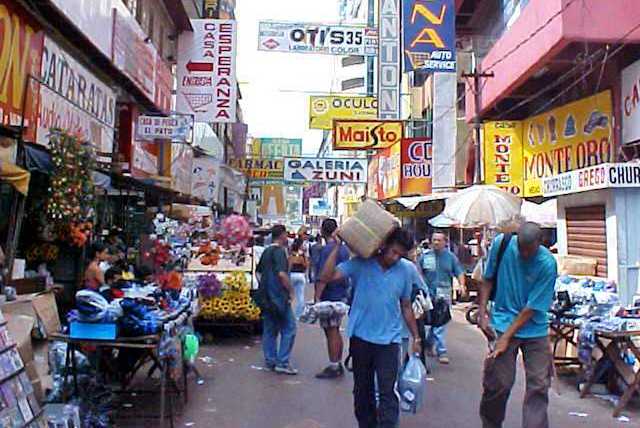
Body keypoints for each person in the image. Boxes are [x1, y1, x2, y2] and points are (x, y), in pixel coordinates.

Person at [320, 227, 421, 428]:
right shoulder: (361, 264)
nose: (395, 258)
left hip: (389, 341)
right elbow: (327, 277)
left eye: (400, 255)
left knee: (387, 392)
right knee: (362, 392)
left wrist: (416, 337)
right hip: (361, 338)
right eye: (393, 251)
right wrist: (336, 247)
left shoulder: (407, 269)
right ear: (383, 245)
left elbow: (406, 305)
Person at [477, 222, 557, 428]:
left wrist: (505, 339)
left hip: (534, 327)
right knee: (499, 383)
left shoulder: (547, 264)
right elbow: (487, 279)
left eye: (529, 249)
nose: (523, 253)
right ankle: (490, 423)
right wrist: (482, 311)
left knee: (539, 385)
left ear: (540, 243)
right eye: (520, 247)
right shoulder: (502, 244)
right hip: (503, 320)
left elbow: (531, 308)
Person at [418, 231, 466, 364]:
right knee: (431, 322)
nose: (436, 243)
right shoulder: (425, 257)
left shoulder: (451, 258)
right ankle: (429, 343)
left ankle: (441, 351)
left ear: (445, 242)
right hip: (428, 294)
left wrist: (462, 285)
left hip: (444, 294)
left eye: (439, 240)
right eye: (434, 240)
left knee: (440, 322)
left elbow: (459, 272)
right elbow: (418, 272)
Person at [256, 225, 298, 375]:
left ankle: (270, 360)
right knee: (290, 328)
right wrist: (291, 291)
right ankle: (283, 362)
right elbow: (281, 274)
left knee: (269, 330)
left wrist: (265, 288)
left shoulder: (266, 251)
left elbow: (258, 273)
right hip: (279, 297)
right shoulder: (279, 252)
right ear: (282, 235)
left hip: (266, 298)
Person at [313, 219, 350, 379]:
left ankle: (334, 364)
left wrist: (317, 297)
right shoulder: (344, 250)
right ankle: (337, 363)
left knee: (331, 330)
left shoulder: (327, 250)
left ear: (322, 231)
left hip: (330, 295)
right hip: (340, 293)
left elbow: (323, 275)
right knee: (335, 329)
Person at [288, 238, 309, 318]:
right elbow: (306, 265)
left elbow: (289, 266)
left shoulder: (291, 255)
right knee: (300, 295)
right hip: (301, 275)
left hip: (292, 275)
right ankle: (298, 315)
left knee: (290, 295)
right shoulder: (302, 255)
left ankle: (290, 313)